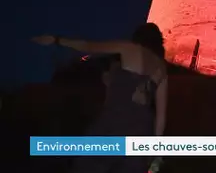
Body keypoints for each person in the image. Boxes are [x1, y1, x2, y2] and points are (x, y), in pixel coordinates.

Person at [32, 23, 168, 173]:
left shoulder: (128, 48)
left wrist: (57, 40)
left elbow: (87, 46)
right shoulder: (161, 68)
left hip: (113, 123)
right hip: (141, 132)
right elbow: (161, 118)